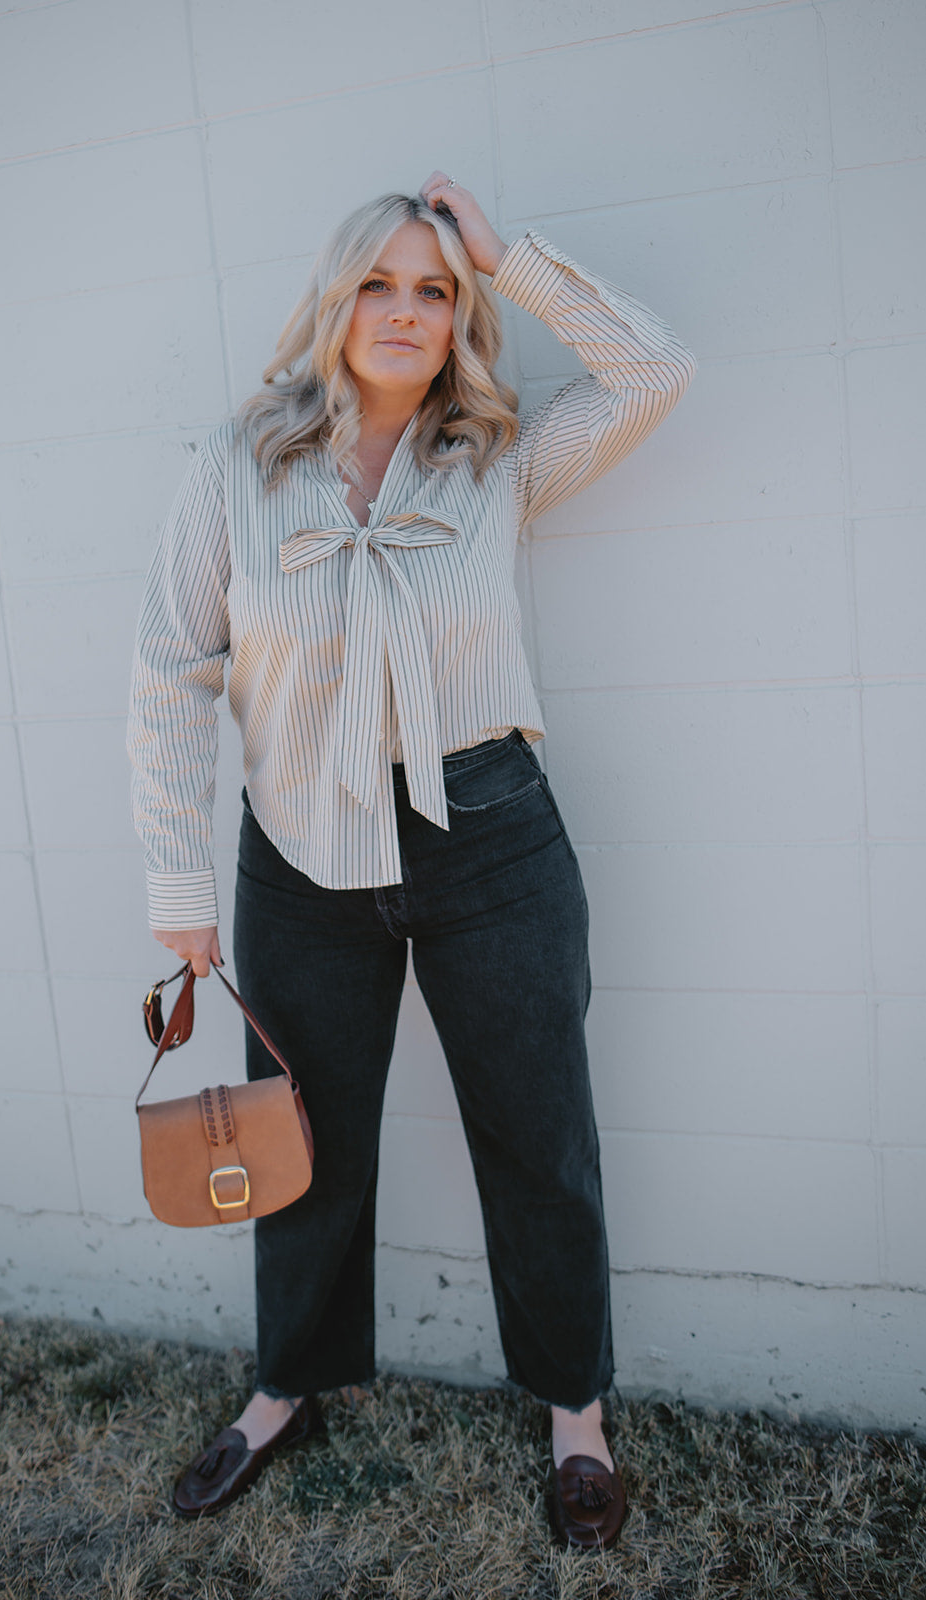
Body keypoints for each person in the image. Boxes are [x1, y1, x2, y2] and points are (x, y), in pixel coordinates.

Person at [128, 171, 695, 1549]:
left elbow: (654, 373)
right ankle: (286, 1388)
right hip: (300, 851)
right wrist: (181, 885)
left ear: (459, 314)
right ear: (333, 301)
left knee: (539, 1137)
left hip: (489, 835)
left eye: (433, 290)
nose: (403, 310)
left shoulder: (494, 456)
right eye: (376, 283)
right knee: (303, 1146)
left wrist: (507, 256)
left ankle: (575, 1413)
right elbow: (170, 669)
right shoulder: (237, 463)